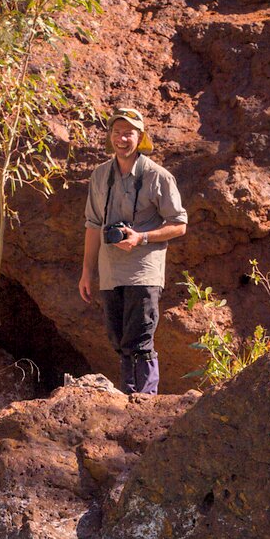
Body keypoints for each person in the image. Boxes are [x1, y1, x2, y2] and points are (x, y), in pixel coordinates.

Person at [78, 106, 188, 394]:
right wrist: (87, 273)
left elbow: (179, 225)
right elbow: (92, 225)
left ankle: (146, 399)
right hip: (111, 272)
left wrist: (142, 238)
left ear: (140, 138)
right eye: (117, 132)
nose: (122, 138)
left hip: (143, 271)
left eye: (128, 133)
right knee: (118, 340)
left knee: (139, 340)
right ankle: (129, 398)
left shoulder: (157, 176)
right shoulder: (100, 175)